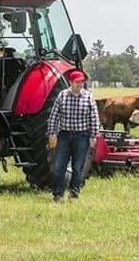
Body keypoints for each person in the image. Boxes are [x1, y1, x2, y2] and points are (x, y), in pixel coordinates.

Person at [47, 70, 100, 202]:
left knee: (77, 167)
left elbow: (94, 118)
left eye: (82, 82)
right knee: (59, 166)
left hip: (82, 136)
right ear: (71, 82)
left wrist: (94, 137)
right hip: (64, 136)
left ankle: (74, 194)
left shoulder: (88, 97)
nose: (80, 84)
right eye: (77, 82)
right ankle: (58, 194)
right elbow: (54, 116)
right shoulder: (62, 96)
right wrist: (52, 134)